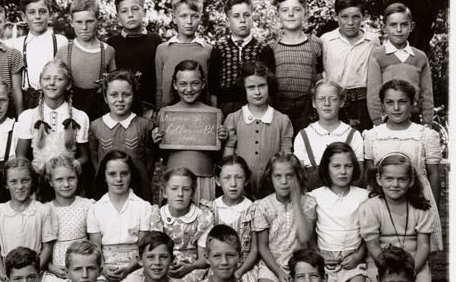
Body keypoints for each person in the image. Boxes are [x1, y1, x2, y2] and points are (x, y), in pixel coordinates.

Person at [364, 79, 443, 255]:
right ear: (383, 106)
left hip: (418, 201)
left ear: (413, 104)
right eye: (390, 102)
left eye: (402, 101)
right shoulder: (373, 135)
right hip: (384, 203)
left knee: (417, 253)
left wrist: (432, 209)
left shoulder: (425, 135)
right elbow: (371, 175)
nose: (396, 108)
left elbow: (433, 175)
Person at [359, 152, 436, 282]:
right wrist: (388, 269)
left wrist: (411, 270)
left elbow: (424, 246)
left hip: (415, 263)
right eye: (389, 179)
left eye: (401, 179)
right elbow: (373, 246)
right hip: (381, 264)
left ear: (411, 181)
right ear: (379, 180)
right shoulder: (371, 207)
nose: (395, 184)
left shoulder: (421, 208)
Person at [152, 60, 228, 202]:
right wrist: (155, 140)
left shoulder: (214, 114)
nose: (189, 89)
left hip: (204, 178)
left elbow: (219, 154)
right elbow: (160, 154)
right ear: (175, 85)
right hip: (174, 179)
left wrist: (222, 139)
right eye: (183, 84)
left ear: (203, 84)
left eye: (195, 83)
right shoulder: (166, 114)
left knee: (204, 220)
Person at [253, 151, 316, 282]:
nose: (284, 181)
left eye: (290, 176)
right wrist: (279, 272)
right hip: (272, 265)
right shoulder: (264, 205)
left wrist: (296, 201)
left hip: (300, 263)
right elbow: (262, 247)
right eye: (278, 176)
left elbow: (304, 238)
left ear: (298, 177)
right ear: (270, 178)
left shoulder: (307, 202)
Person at [0, 157, 57, 282]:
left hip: (36, 271)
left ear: (32, 181)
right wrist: (2, 274)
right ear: (6, 184)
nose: (20, 186)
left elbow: (47, 247)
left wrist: (33, 271)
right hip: (7, 274)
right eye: (13, 182)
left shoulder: (42, 210)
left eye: (25, 181)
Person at [310, 143, 369, 282]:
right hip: (325, 260)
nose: (343, 172)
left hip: (354, 259)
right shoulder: (316, 196)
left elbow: (369, 234)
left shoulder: (362, 196)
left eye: (348, 166)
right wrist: (319, 255)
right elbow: (309, 235)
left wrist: (359, 256)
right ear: (326, 168)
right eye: (336, 166)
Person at [223, 61, 293, 198]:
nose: (257, 92)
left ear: (269, 86)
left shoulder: (282, 120)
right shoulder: (233, 119)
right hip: (240, 188)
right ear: (244, 89)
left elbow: (286, 156)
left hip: (272, 189)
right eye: (251, 87)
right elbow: (228, 156)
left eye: (262, 86)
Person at [88, 150, 151, 282]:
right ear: (104, 176)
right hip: (104, 266)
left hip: (134, 267)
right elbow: (96, 247)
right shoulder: (95, 209)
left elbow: (143, 247)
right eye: (112, 174)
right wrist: (103, 269)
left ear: (131, 175)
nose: (118, 179)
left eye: (124, 173)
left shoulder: (143, 207)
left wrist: (128, 269)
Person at [89, 70, 155, 201]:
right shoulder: (96, 126)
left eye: (126, 95)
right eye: (114, 95)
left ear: (133, 96)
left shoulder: (144, 125)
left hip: (139, 190)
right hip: (107, 190)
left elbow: (149, 160)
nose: (120, 99)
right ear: (105, 97)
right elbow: (95, 158)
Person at [16, 60, 91, 175]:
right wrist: (34, 171)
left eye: (59, 79)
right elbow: (21, 156)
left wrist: (74, 165)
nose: (52, 83)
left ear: (68, 85)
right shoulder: (28, 116)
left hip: (67, 180)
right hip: (38, 180)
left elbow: (85, 157)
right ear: (40, 83)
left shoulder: (79, 116)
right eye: (47, 78)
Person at [320, 0, 378, 132]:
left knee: (361, 143)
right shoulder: (326, 40)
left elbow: (376, 77)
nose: (350, 22)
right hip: (334, 101)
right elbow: (319, 73)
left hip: (362, 103)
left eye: (356, 17)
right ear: (336, 16)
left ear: (363, 16)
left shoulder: (372, 41)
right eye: (344, 17)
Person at [367, 2, 434, 126]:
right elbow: (373, 93)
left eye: (404, 25)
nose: (399, 30)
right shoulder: (378, 55)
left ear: (411, 26)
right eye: (393, 25)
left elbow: (427, 94)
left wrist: (427, 122)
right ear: (384, 27)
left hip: (413, 118)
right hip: (386, 120)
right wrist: (377, 122)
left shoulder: (420, 57)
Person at [209, 0, 274, 119]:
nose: (242, 20)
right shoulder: (219, 49)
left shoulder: (263, 49)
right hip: (226, 108)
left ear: (252, 17)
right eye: (236, 16)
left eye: (246, 15)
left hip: (256, 109)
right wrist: (216, 115)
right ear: (228, 20)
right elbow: (213, 88)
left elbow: (270, 88)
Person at [294, 79, 365, 191]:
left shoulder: (353, 135)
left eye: (333, 99)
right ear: (313, 103)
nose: (327, 103)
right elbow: (298, 178)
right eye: (321, 99)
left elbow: (358, 176)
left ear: (341, 102)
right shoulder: (303, 136)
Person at [55, 0, 117, 121]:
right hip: (70, 115)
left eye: (89, 21)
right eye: (79, 22)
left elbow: (114, 88)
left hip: (100, 115)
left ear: (98, 20)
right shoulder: (64, 51)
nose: (84, 27)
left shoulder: (108, 51)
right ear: (71, 22)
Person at [149, 167, 214, 282]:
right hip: (161, 265)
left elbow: (203, 260)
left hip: (193, 269)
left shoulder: (203, 218)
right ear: (164, 192)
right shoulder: (156, 216)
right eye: (174, 189)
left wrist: (190, 267)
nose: (180, 194)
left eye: (186, 189)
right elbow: (153, 251)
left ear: (192, 193)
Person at [271, 0, 323, 134]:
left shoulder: (315, 44)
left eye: (297, 10)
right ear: (278, 16)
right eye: (285, 10)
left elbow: (319, 78)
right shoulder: (272, 46)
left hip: (307, 110)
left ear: (305, 15)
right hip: (279, 108)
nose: (291, 14)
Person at [41, 156, 94, 282]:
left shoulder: (88, 206)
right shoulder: (45, 209)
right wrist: (52, 268)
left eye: (71, 178)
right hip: (57, 270)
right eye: (59, 180)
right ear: (50, 182)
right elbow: (42, 248)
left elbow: (95, 241)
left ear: (77, 178)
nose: (66, 184)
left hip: (83, 266)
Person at [106, 0, 163, 116]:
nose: (130, 14)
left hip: (150, 110)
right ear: (118, 17)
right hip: (120, 110)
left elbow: (160, 80)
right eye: (124, 11)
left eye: (135, 9)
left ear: (144, 11)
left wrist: (158, 109)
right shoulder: (112, 44)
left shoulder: (155, 40)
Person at [204, 155, 257, 282]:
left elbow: (255, 249)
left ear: (246, 180)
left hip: (244, 268)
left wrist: (239, 272)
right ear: (218, 181)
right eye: (227, 178)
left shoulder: (253, 209)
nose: (233, 184)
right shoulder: (211, 209)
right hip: (217, 267)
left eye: (238, 177)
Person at [154, 0, 213, 110]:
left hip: (201, 115)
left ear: (200, 18)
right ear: (174, 18)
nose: (189, 22)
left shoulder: (208, 50)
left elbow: (211, 91)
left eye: (194, 16)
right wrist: (159, 115)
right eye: (183, 16)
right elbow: (159, 88)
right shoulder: (163, 49)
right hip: (170, 115)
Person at [16, 0, 69, 112]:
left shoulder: (60, 42)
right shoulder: (18, 44)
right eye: (31, 12)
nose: (37, 16)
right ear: (24, 17)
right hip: (27, 101)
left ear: (50, 14)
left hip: (55, 101)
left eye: (42, 11)